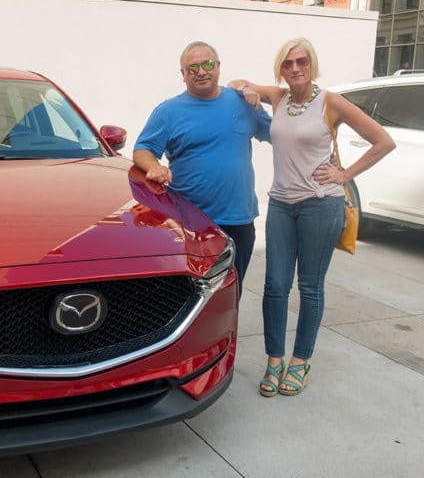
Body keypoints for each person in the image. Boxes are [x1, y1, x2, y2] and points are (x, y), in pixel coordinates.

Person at [229, 37, 395, 397]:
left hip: (321, 204)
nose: (294, 69)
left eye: (301, 62)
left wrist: (344, 174)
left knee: (309, 286)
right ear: (281, 68)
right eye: (288, 64)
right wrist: (248, 93)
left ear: (311, 64)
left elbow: (383, 140)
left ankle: (301, 361)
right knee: (274, 285)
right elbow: (235, 82)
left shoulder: (330, 102)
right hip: (281, 206)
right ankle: (275, 359)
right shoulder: (279, 97)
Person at [133, 41, 272, 299]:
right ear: (183, 75)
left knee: (230, 295)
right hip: (192, 222)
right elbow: (142, 149)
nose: (201, 72)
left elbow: (279, 134)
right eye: (192, 67)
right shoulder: (168, 111)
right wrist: (154, 166)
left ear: (218, 67)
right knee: (190, 297)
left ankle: (222, 340)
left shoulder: (243, 102)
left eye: (208, 64)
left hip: (239, 220)